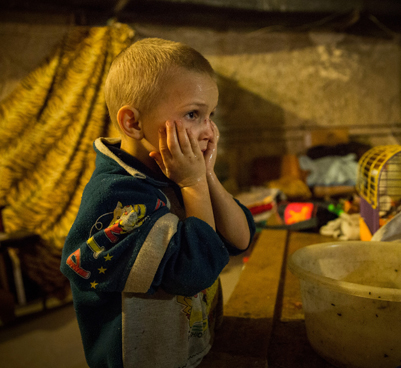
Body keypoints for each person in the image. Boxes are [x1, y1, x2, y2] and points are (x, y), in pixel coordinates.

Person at [60, 38, 255, 368]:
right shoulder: (118, 196)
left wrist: (205, 176)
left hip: (191, 347)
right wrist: (192, 183)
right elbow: (195, 270)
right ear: (133, 123)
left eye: (210, 115)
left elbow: (241, 238)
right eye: (193, 114)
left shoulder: (175, 172)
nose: (208, 131)